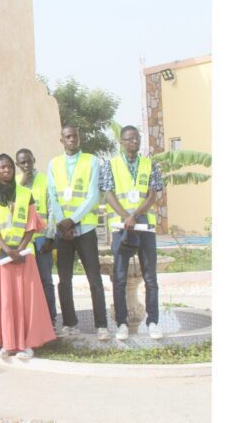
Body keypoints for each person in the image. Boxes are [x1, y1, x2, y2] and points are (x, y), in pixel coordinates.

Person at [0, 154, 56, 358]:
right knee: (5, 302)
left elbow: (32, 225)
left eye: (9, 166)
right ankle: (8, 343)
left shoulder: (25, 194)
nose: (7, 170)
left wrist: (19, 249)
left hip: (24, 255)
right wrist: (8, 250)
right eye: (2, 167)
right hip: (1, 257)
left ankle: (28, 345)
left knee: (26, 301)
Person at [101, 125, 164, 340]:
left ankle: (153, 322)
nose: (134, 142)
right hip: (121, 228)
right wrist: (125, 217)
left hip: (144, 226)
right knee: (119, 278)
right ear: (122, 142)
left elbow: (152, 195)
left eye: (137, 138)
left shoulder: (150, 164)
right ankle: (122, 324)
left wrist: (135, 215)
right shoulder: (110, 165)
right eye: (130, 139)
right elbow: (108, 194)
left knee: (150, 278)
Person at [47, 126, 110, 340]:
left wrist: (72, 221)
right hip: (63, 233)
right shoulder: (54, 164)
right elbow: (53, 196)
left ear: (79, 138)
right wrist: (63, 224)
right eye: (68, 136)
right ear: (62, 140)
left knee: (94, 279)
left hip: (85, 229)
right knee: (64, 280)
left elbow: (93, 196)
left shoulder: (92, 161)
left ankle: (101, 325)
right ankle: (70, 323)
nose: (72, 139)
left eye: (75, 136)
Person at [15, 149, 57, 328]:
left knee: (45, 280)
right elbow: (10, 207)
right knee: (25, 283)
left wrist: (50, 237)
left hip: (41, 239)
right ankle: (30, 322)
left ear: (34, 160)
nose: (26, 166)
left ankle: (51, 319)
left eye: (29, 161)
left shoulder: (45, 180)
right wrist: (22, 184)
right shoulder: (15, 182)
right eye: (22, 163)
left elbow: (52, 210)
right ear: (17, 165)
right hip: (21, 241)